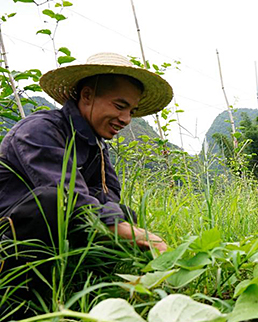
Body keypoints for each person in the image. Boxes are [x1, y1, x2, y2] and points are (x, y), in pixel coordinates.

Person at [0, 52, 173, 258]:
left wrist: (126, 226)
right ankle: (18, 282)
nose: (126, 119)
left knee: (121, 214)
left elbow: (109, 192)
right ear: (87, 96)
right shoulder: (40, 130)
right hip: (10, 230)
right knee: (53, 200)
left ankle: (88, 279)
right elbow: (69, 195)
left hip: (55, 238)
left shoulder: (95, 145)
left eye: (132, 112)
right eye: (119, 107)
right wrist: (133, 233)